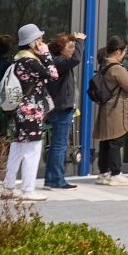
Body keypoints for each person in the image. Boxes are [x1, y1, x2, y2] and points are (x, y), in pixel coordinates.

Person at [0, 25, 57, 193]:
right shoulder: (30, 62)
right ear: (32, 42)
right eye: (39, 39)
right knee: (33, 149)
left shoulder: (19, 60)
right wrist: (46, 55)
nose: (43, 42)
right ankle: (27, 189)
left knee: (17, 148)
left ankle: (8, 186)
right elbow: (53, 75)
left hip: (21, 111)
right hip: (31, 112)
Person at [41, 31, 88, 188]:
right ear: (60, 49)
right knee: (59, 146)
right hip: (61, 109)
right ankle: (56, 180)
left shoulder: (58, 62)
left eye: (74, 46)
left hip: (62, 107)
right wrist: (80, 41)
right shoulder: (58, 62)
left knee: (57, 145)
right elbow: (77, 59)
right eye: (70, 47)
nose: (73, 50)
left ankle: (51, 179)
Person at [89, 38, 128, 184]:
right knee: (116, 141)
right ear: (118, 51)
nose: (125, 54)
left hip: (106, 107)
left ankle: (104, 173)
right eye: (125, 51)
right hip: (116, 109)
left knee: (106, 141)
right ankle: (116, 173)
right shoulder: (117, 68)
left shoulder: (104, 64)